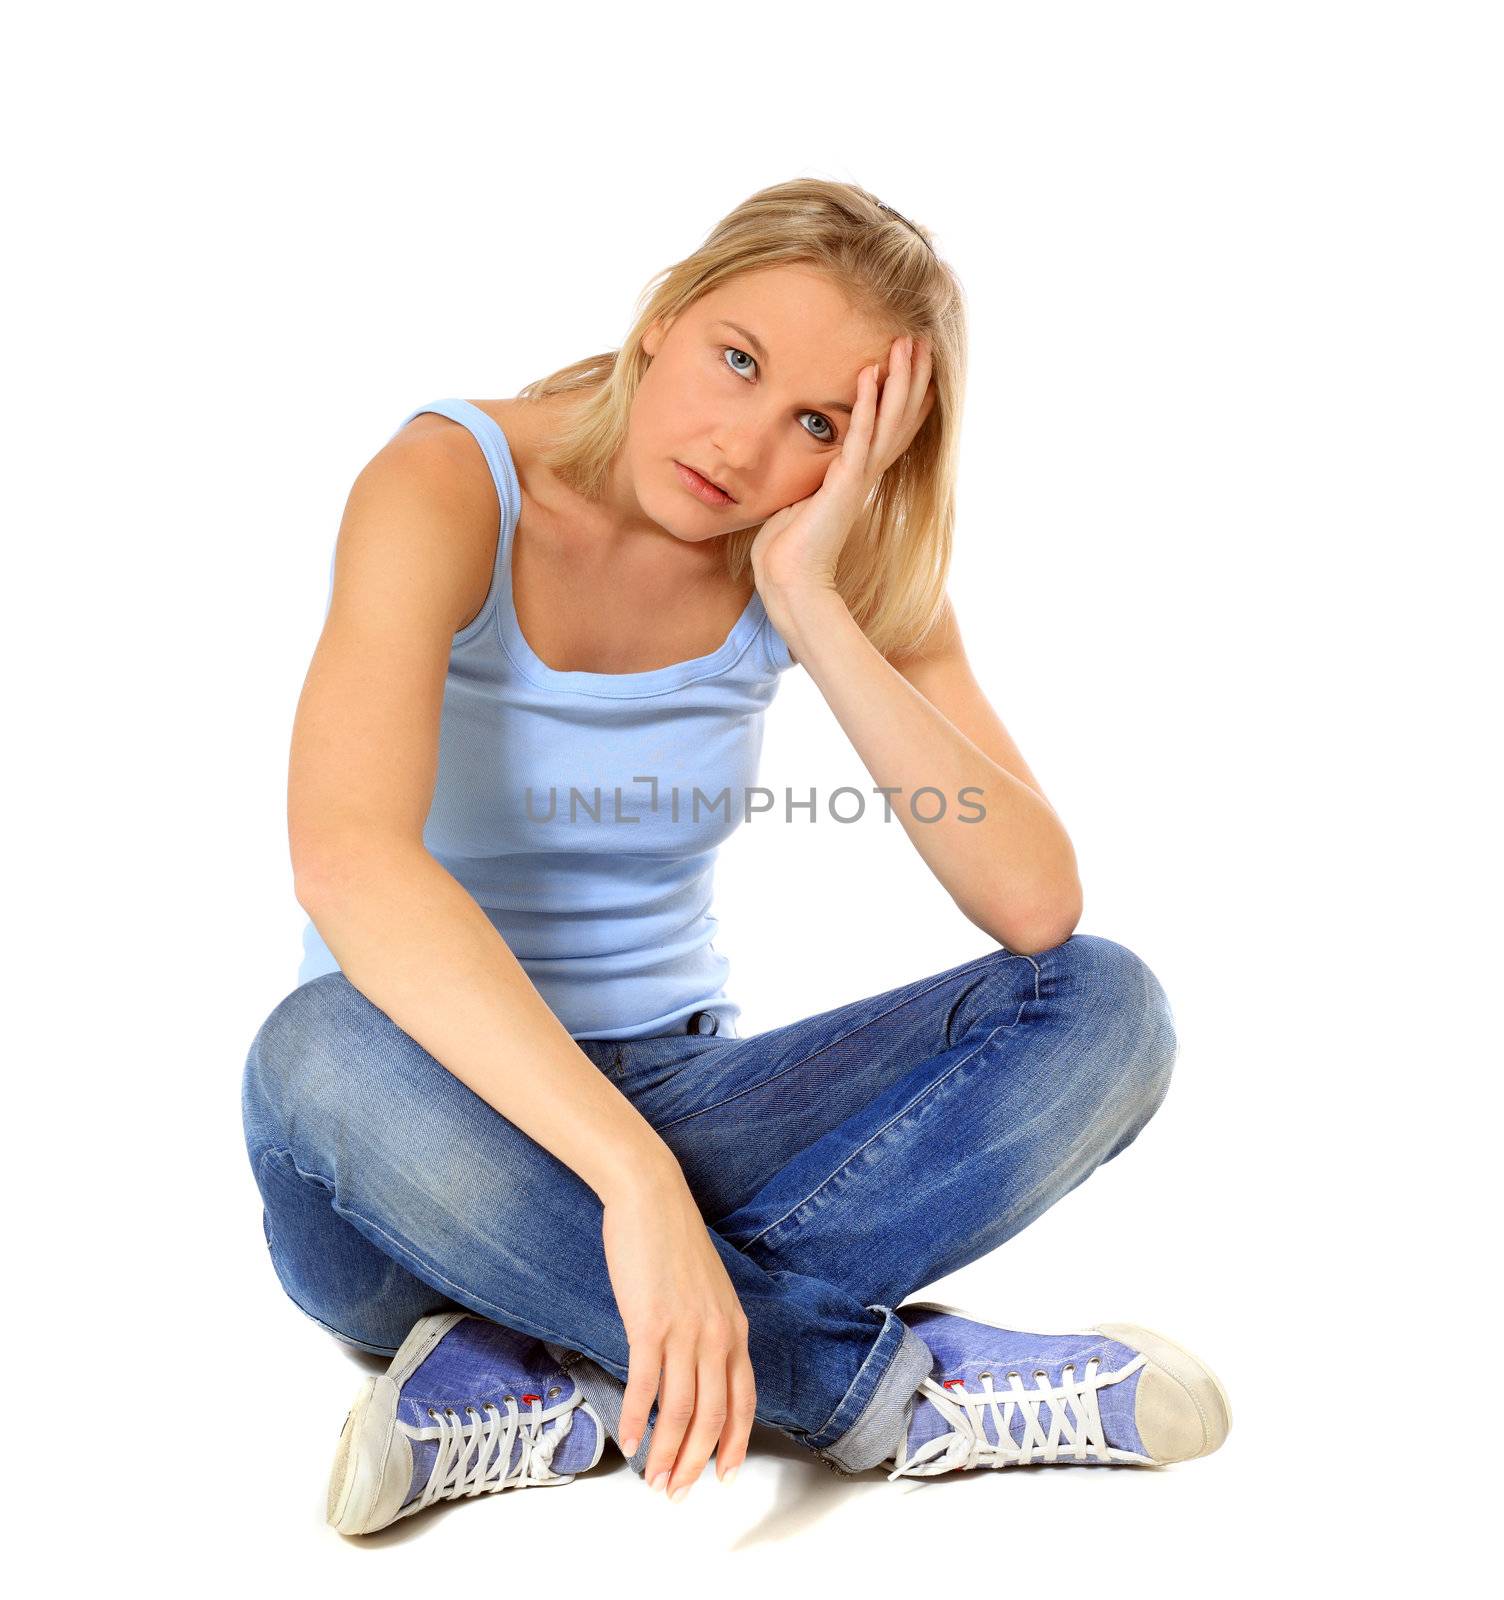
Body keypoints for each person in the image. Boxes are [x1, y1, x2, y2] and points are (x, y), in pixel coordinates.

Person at [240, 177, 1230, 1537]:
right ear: (665, 319)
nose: (745, 442)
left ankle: (547, 1374)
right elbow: (348, 861)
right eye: (739, 361)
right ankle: (884, 1393)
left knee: (1110, 1009)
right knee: (314, 1047)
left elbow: (1034, 900)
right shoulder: (448, 480)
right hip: (415, 1124)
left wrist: (812, 602)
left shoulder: (810, 557)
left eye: (816, 423)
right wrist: (632, 1185)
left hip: (680, 1094)